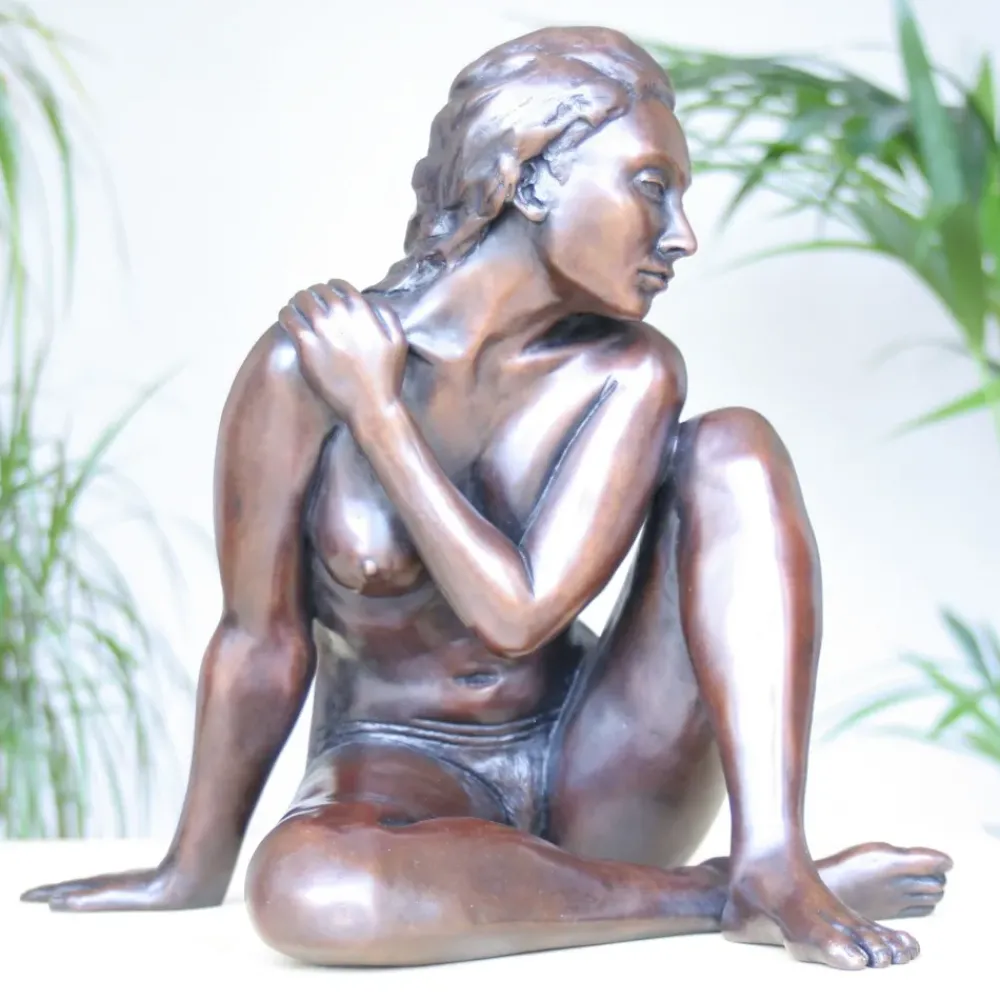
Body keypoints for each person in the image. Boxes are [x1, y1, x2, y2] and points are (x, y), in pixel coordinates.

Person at [23, 26, 951, 970]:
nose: (681, 235)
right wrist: (189, 870)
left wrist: (381, 415)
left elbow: (517, 616)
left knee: (734, 448)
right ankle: (722, 893)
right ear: (531, 177)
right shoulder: (304, 370)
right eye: (650, 187)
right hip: (399, 775)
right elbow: (260, 642)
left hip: (599, 772)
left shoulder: (629, 373)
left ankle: (774, 859)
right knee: (311, 894)